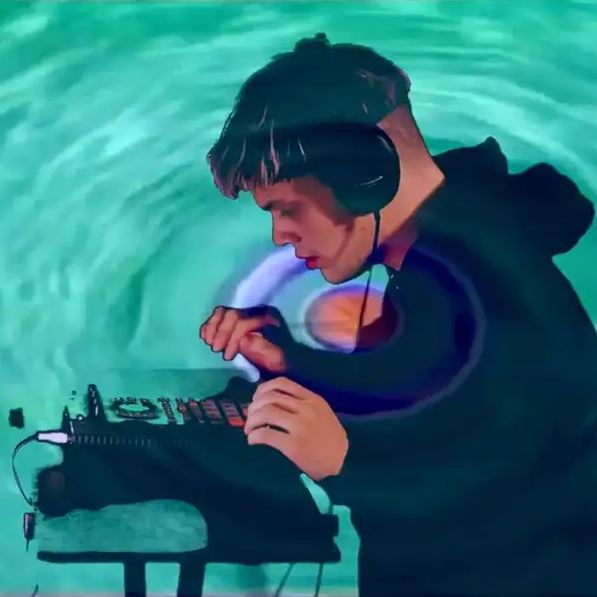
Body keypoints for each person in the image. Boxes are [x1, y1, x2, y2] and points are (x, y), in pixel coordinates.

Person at [200, 33, 597, 595]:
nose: (280, 235)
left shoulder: (492, 290)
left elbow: (498, 509)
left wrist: (345, 465)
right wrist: (288, 361)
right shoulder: (454, 261)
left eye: (288, 208)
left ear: (363, 174)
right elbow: (427, 412)